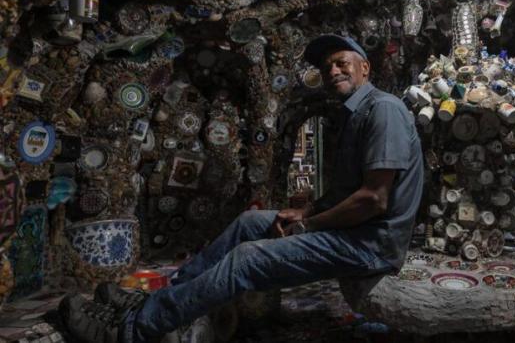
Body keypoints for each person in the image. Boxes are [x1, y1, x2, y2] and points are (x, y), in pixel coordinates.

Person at [59, 34, 424, 343]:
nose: (332, 71)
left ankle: (131, 329)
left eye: (341, 62)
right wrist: (305, 211)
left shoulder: (383, 110)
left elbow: (374, 199)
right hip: (354, 233)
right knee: (252, 222)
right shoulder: (353, 115)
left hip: (372, 245)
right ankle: (160, 298)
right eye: (326, 66)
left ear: (365, 68)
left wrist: (308, 226)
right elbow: (346, 190)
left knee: (247, 258)